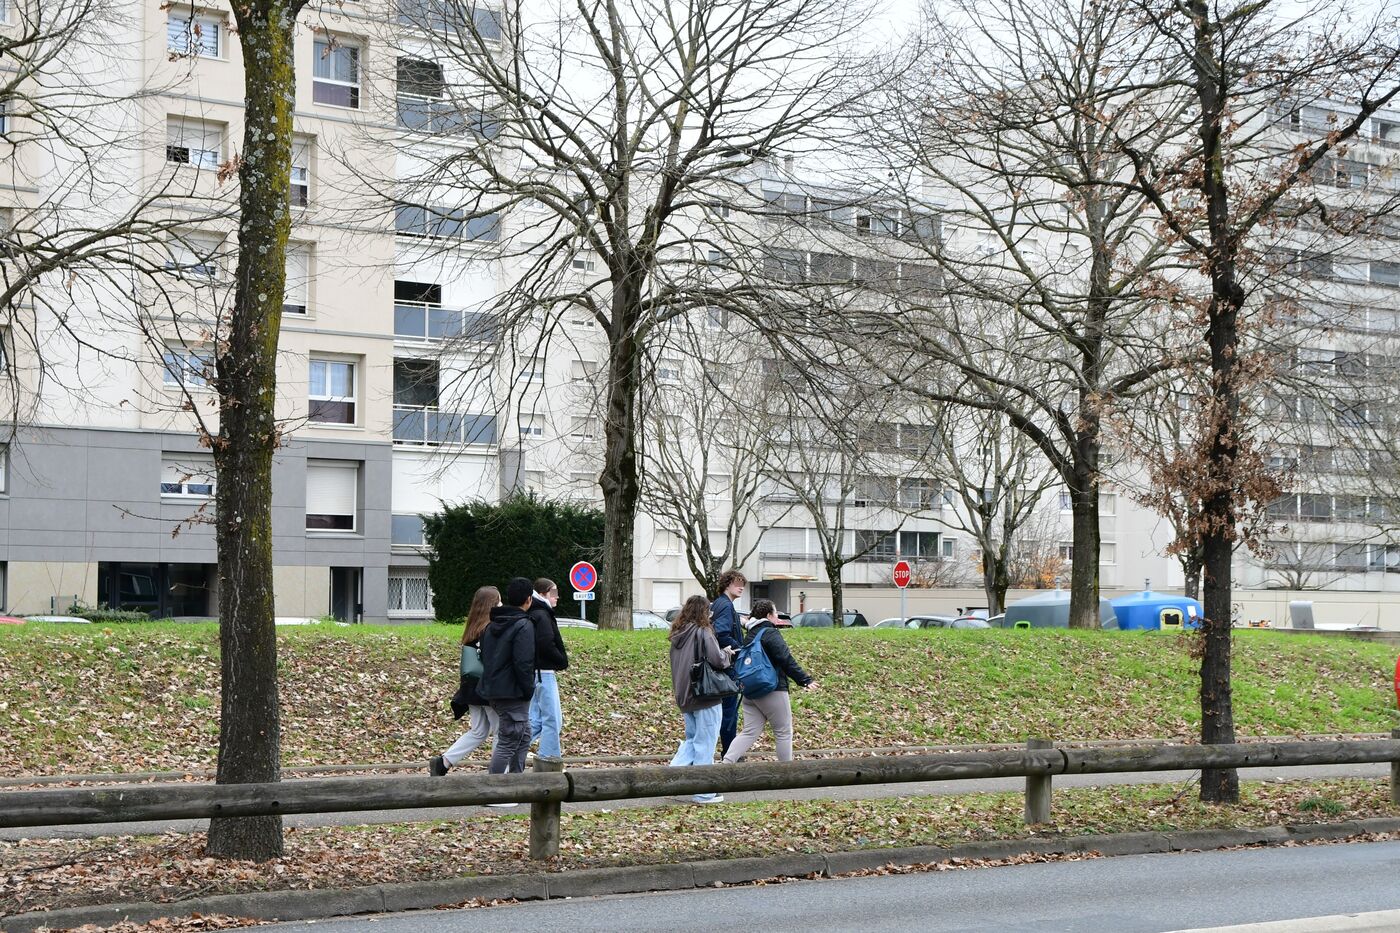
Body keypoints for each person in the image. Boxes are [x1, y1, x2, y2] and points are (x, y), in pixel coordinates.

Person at [722, 598, 818, 764]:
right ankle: (786, 773)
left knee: (749, 732)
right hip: (771, 689)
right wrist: (805, 680)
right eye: (775, 613)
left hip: (749, 691)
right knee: (783, 731)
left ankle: (726, 764)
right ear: (768, 615)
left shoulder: (750, 635)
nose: (777, 617)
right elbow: (785, 658)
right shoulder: (770, 632)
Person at [668, 594, 736, 804]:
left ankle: (671, 781)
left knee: (692, 741)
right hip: (705, 694)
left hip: (684, 695)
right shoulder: (703, 631)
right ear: (704, 612)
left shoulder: (677, 634)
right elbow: (717, 660)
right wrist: (727, 654)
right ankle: (704, 791)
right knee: (706, 743)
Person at [429, 586, 501, 776]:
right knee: (500, 731)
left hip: (471, 687)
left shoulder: (473, 627)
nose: (502, 604)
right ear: (492, 604)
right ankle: (499, 774)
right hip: (486, 687)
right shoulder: (490, 628)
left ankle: (444, 762)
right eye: (499, 601)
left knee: (479, 730)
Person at [477, 576, 537, 802]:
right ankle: (495, 793)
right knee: (509, 739)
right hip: (513, 692)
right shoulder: (523, 625)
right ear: (529, 599)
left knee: (524, 734)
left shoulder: (492, 625)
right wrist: (528, 689)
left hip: (495, 689)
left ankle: (516, 786)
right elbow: (523, 662)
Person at [527, 577, 569, 760]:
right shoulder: (542, 614)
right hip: (543, 673)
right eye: (554, 593)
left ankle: (511, 752)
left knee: (536, 720)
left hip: (536, 672)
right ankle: (548, 758)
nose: (557, 597)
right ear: (543, 594)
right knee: (553, 720)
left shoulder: (535, 612)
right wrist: (561, 660)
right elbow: (546, 643)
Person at [710, 569, 746, 757]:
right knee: (729, 712)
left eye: (743, 584)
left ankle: (727, 753)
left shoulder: (719, 604)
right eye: (737, 583)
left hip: (720, 665)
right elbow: (721, 633)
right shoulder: (725, 605)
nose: (741, 587)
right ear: (726, 584)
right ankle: (730, 755)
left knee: (723, 712)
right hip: (727, 666)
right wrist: (741, 649)